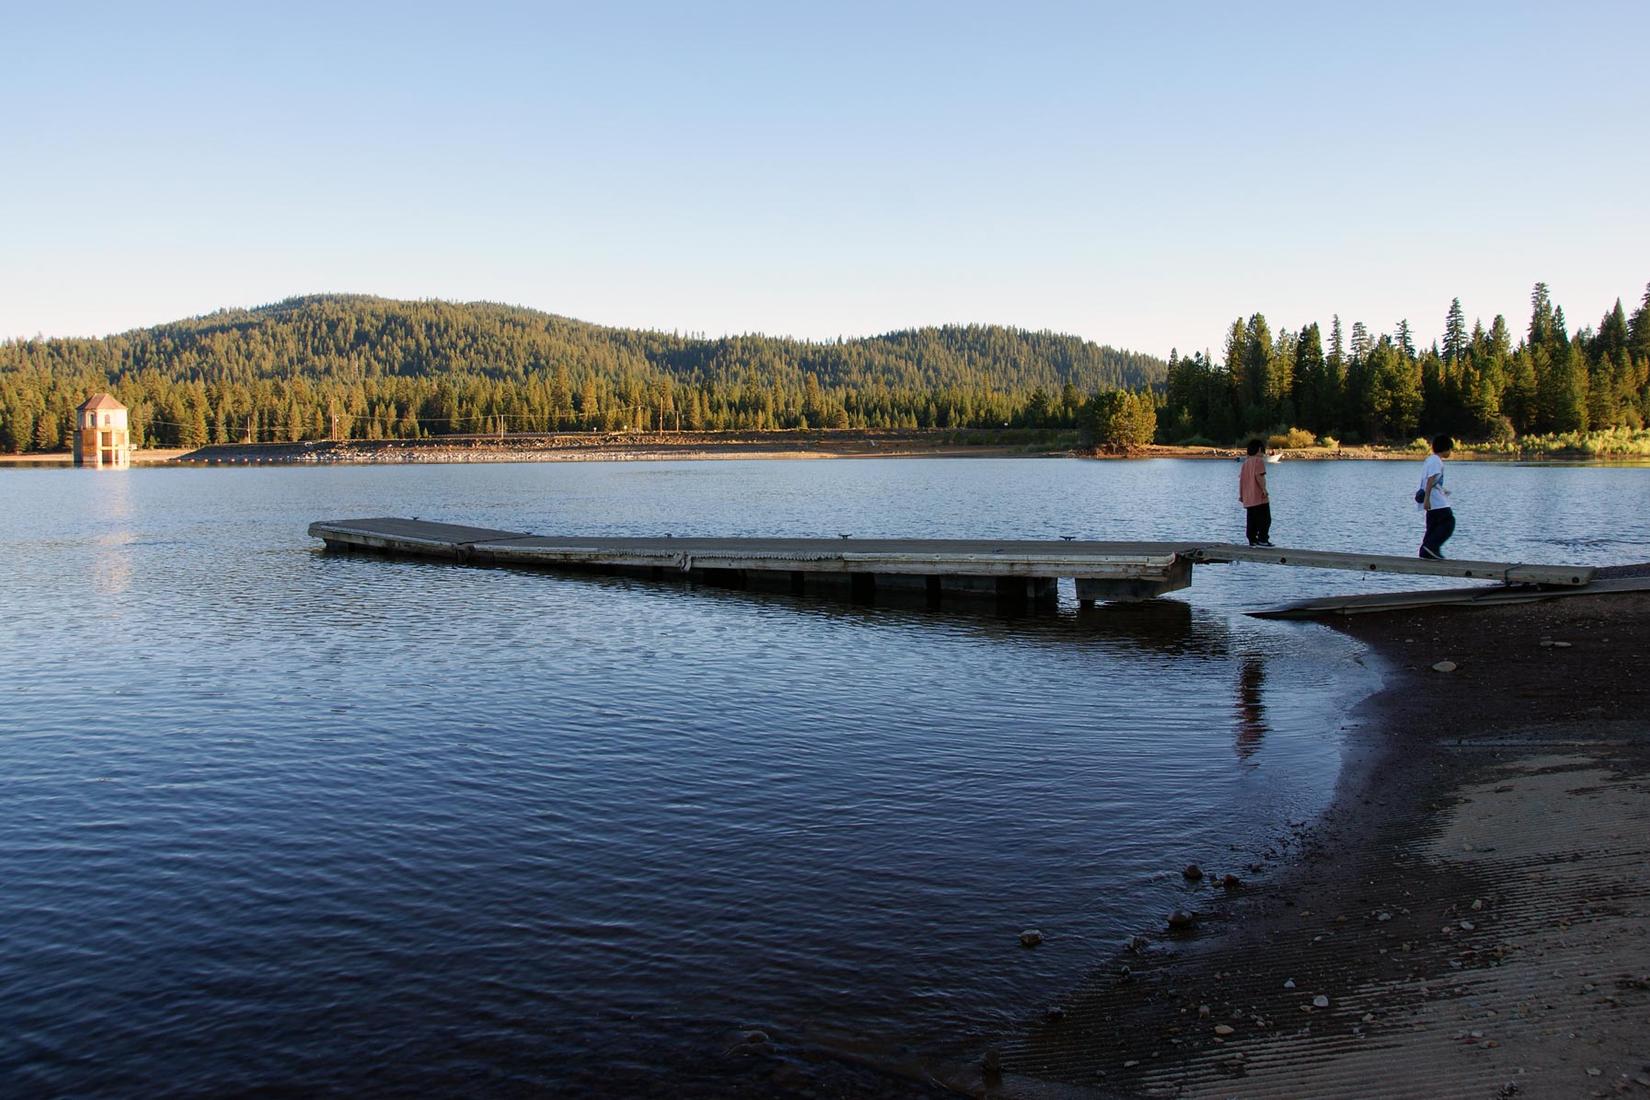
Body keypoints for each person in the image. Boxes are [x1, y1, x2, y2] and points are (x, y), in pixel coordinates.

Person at [1417, 434, 1454, 559]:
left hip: (1433, 499)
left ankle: (1425, 551)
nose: (1450, 452)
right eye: (1450, 449)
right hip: (1436, 502)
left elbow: (1432, 481)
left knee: (1432, 526)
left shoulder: (1431, 459)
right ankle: (1431, 547)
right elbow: (1430, 480)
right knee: (1449, 522)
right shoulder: (1436, 461)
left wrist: (1442, 489)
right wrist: (1427, 500)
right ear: (1445, 448)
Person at [1238, 439, 1272, 547]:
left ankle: (1252, 539)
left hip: (1248, 496)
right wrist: (1264, 489)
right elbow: (1259, 476)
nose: (1263, 454)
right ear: (1259, 449)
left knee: (1251, 519)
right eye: (1262, 451)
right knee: (1265, 519)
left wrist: (1241, 495)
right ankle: (1263, 538)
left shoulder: (1246, 463)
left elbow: (1242, 479)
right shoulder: (1258, 461)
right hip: (1259, 496)